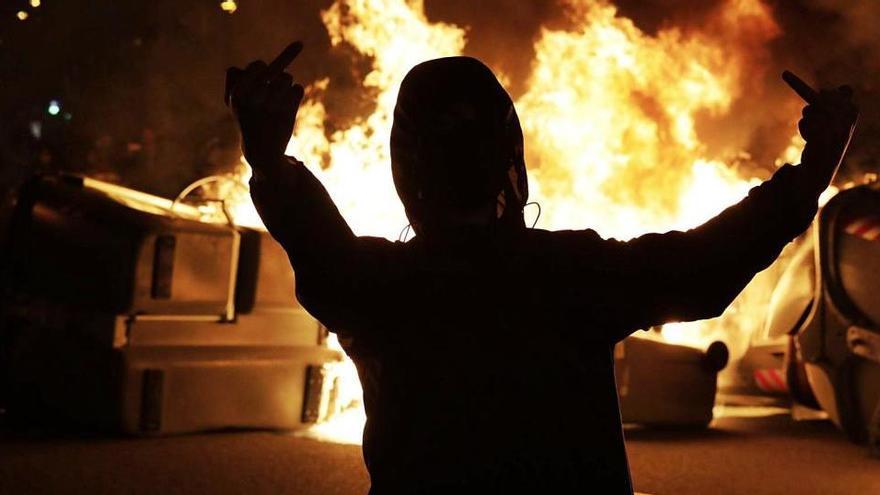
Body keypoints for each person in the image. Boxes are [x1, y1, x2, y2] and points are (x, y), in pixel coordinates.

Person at [226, 41, 858, 494]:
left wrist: (268, 154)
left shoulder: (373, 285)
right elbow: (706, 263)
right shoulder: (570, 272)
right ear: (508, 158)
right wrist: (814, 169)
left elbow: (311, 233)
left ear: (408, 169)